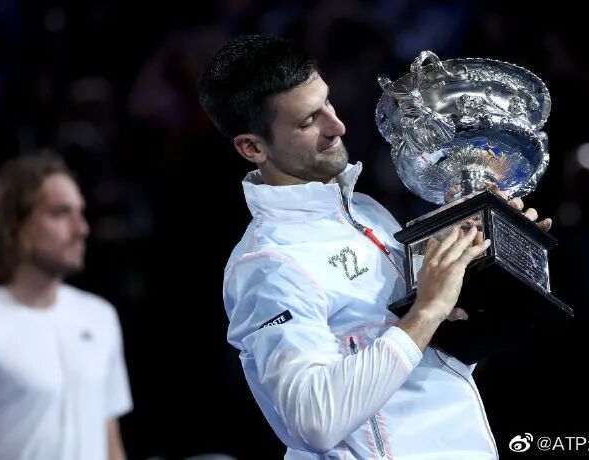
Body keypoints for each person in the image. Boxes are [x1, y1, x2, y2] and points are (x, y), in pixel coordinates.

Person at [198, 35, 551, 459]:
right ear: (252, 147)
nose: (336, 127)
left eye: (327, 103)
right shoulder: (268, 263)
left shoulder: (367, 211)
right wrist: (427, 310)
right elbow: (313, 420)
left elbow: (427, 361)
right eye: (308, 121)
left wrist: (484, 263)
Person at [0, 153, 133, 460]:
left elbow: (109, 439)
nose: (81, 229)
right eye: (60, 213)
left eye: (81, 212)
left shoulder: (100, 317)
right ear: (14, 225)